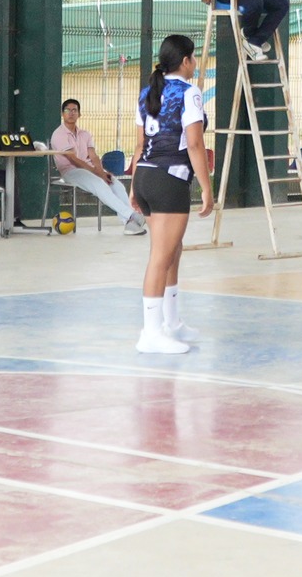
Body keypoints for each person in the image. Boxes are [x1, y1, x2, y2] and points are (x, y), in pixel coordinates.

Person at [128, 34, 214, 354]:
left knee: (172, 250)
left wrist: (134, 186)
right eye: (193, 58)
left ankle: (172, 323)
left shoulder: (148, 92)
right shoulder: (189, 93)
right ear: (186, 61)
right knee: (160, 257)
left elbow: (139, 147)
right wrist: (207, 187)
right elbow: (194, 144)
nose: (195, 64)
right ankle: (150, 333)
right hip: (170, 179)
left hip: (148, 176)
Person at [52, 98, 146, 234]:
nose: (71, 113)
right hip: (71, 172)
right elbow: (73, 160)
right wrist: (98, 174)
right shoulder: (58, 134)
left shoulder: (85, 134)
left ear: (79, 114)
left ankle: (129, 224)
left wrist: (101, 172)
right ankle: (132, 215)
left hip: (90, 171)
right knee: (100, 183)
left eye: (74, 110)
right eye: (67, 110)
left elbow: (94, 156)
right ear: (62, 114)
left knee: (116, 184)